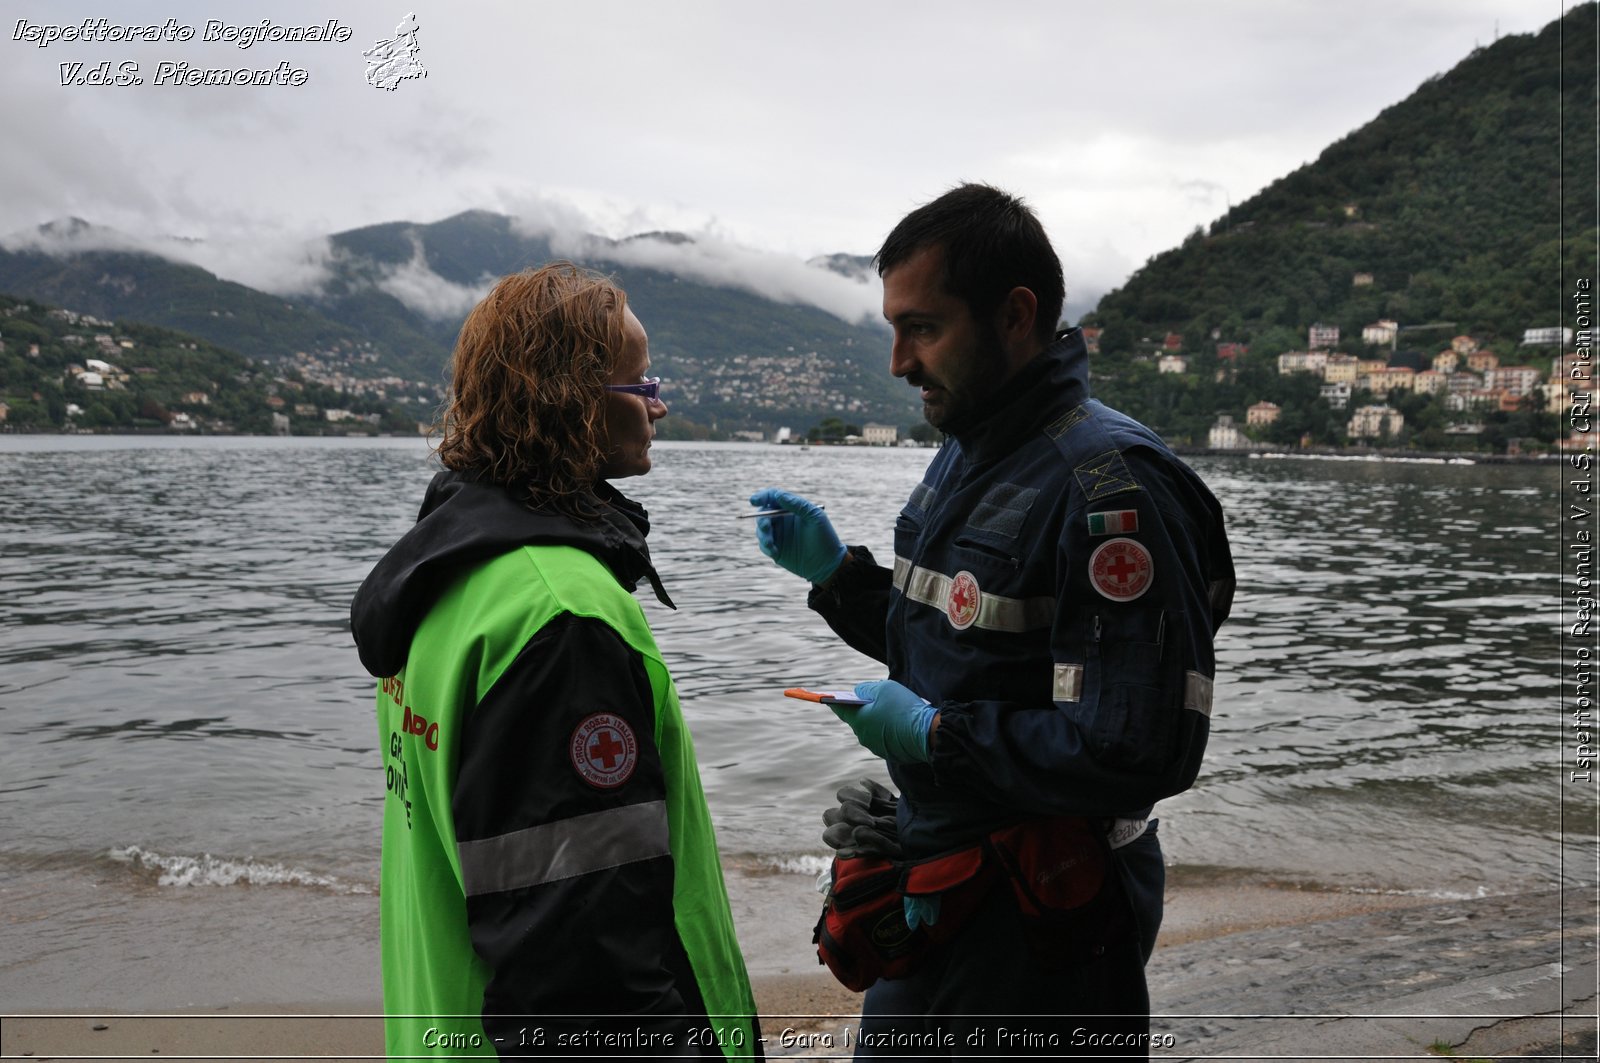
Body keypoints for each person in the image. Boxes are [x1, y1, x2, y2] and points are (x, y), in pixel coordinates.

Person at [750, 184, 1234, 1058]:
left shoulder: (1112, 491)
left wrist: (936, 740)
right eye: (893, 328)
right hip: (943, 880)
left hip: (1047, 909)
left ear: (1015, 315)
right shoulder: (967, 453)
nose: (899, 361)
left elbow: (1140, 748)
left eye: (923, 328)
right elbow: (950, 643)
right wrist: (837, 577)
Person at [352, 263, 759, 1060]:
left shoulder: (450, 578)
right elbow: (584, 981)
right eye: (639, 383)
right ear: (568, 399)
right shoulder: (562, 617)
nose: (659, 404)